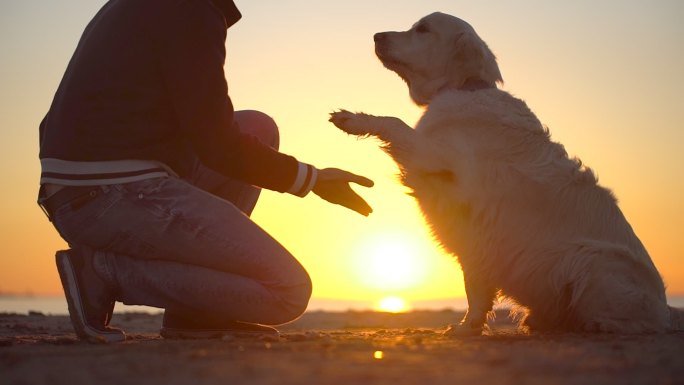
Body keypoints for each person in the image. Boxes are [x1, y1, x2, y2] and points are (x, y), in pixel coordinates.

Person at [37, 0, 373, 343]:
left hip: (83, 188)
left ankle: (196, 315)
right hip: (109, 193)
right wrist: (312, 179)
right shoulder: (190, 8)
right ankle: (103, 273)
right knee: (287, 290)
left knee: (258, 127)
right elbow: (216, 142)